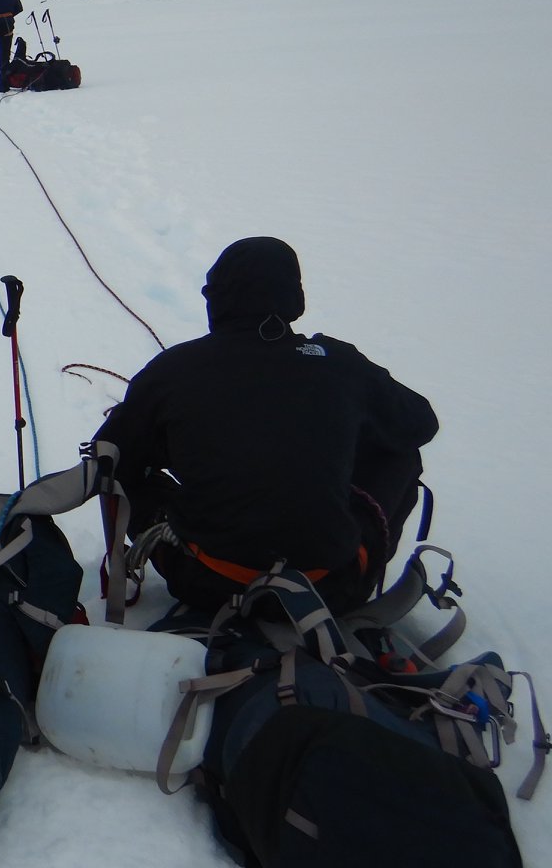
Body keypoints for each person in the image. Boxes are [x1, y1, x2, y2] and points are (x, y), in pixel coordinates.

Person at [94, 237, 438, 614]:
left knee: (124, 466)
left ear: (217, 299)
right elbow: (418, 424)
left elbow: (110, 455)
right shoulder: (339, 363)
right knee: (400, 453)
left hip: (205, 582)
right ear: (294, 298)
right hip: (332, 588)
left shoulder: (173, 370)